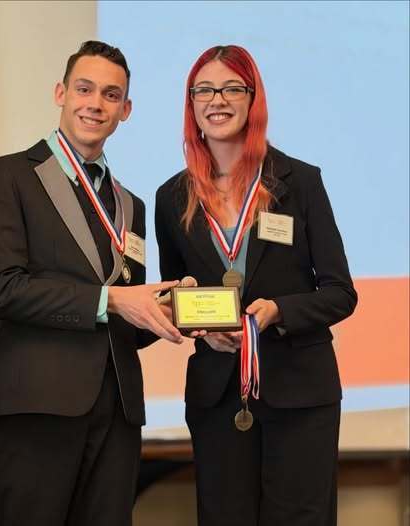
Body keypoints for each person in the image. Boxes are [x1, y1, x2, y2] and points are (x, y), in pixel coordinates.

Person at [0, 40, 182, 526]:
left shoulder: (131, 206)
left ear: (125, 111)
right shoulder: (5, 177)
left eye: (111, 95)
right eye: (84, 89)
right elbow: (1, 289)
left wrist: (170, 311)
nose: (96, 104)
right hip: (35, 410)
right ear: (61, 92)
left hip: (118, 416)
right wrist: (112, 300)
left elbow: (128, 319)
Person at [155, 45, 358, 526]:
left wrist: (277, 312)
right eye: (203, 89)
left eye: (231, 88)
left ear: (253, 98)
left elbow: (340, 292)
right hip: (217, 396)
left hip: (299, 394)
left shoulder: (301, 182)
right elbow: (173, 294)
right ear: (191, 103)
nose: (216, 99)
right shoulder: (171, 197)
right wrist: (197, 324)